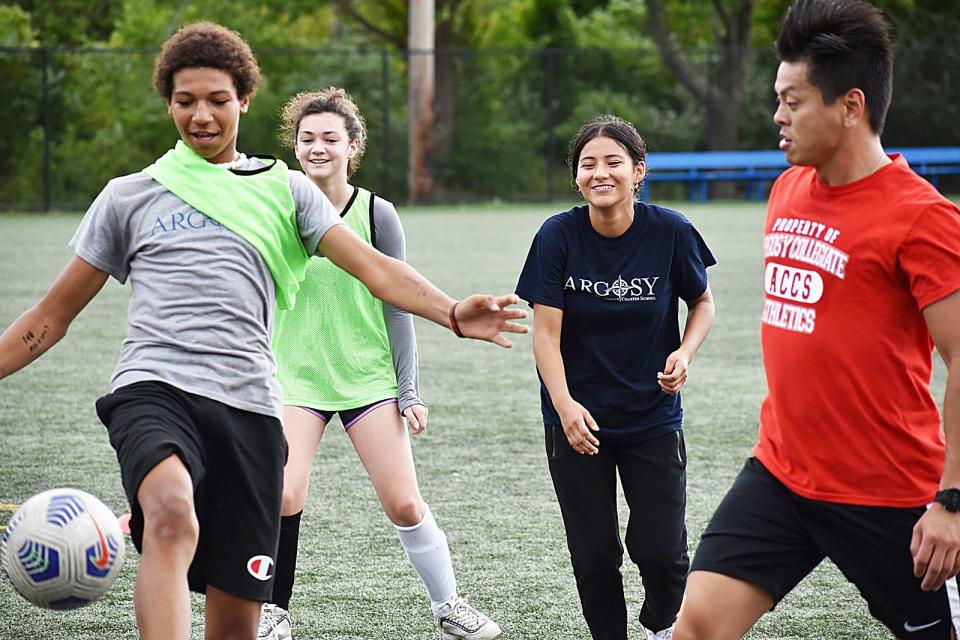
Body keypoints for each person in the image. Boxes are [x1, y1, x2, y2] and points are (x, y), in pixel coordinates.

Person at [0, 22, 526, 640]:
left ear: (244, 100)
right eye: (185, 100)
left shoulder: (287, 191)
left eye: (217, 100)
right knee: (170, 515)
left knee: (235, 619)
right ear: (168, 102)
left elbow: (377, 269)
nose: (201, 115)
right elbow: (49, 318)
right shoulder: (128, 197)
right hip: (154, 390)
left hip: (250, 408)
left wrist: (454, 313)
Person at [673, 1, 960, 638]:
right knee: (696, 626)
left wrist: (953, 500)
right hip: (782, 473)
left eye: (792, 101)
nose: (777, 116)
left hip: (892, 495)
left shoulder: (924, 218)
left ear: (850, 106)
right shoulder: (788, 189)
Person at [255, 87, 500, 640]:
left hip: (367, 378)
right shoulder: (275, 208)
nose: (317, 148)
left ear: (353, 146)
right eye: (307, 138)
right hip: (296, 378)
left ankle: (449, 606)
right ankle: (272, 609)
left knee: (406, 503)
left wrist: (407, 391)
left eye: (329, 139)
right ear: (294, 146)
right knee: (285, 493)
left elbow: (399, 304)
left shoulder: (375, 212)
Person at [515, 114, 716, 640]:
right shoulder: (557, 235)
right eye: (588, 164)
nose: (599, 173)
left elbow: (702, 304)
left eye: (613, 162)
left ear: (638, 170)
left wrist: (686, 353)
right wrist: (564, 407)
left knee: (662, 549)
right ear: (576, 177)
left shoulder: (670, 230)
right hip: (577, 420)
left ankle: (657, 628)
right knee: (593, 552)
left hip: (651, 417)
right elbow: (544, 334)